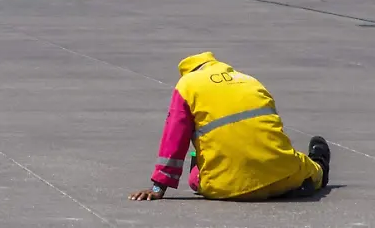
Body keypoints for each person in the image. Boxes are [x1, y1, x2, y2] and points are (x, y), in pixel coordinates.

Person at [129, 52, 331, 202]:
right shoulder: (250, 81)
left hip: (227, 187)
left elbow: (174, 140)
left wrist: (158, 186)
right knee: (310, 169)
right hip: (282, 175)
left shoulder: (187, 85)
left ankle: (201, 161)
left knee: (196, 178)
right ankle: (319, 164)